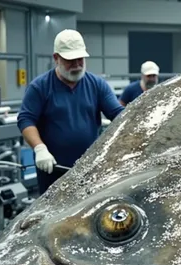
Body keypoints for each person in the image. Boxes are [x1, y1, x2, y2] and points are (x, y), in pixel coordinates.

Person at [17, 29, 124, 195]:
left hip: (89, 170)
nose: (76, 65)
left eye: (80, 59)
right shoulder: (40, 87)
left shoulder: (96, 85)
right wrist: (40, 149)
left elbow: (118, 114)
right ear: (56, 58)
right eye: (70, 60)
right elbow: (26, 119)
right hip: (53, 170)